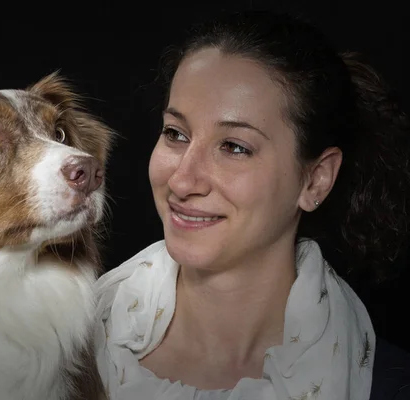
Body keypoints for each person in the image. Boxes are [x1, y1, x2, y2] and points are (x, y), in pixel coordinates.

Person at [94, 10, 410, 400]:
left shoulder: (388, 385)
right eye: (175, 133)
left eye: (234, 147)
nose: (182, 180)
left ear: (316, 180)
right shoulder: (59, 344)